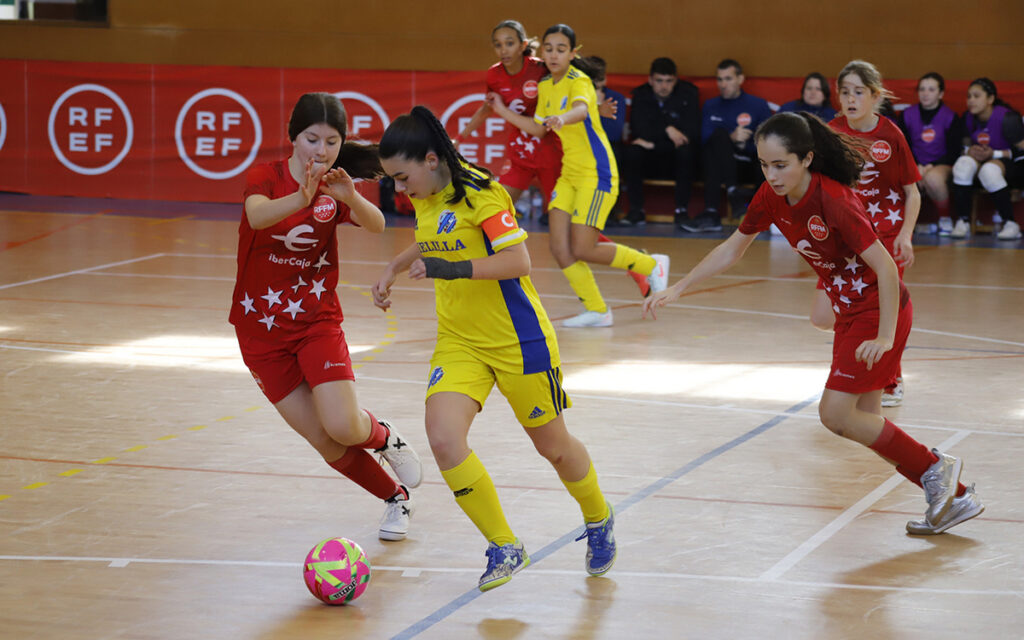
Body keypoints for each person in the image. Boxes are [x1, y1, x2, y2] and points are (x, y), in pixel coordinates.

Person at [643, 111, 983, 536]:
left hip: (877, 310)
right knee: (866, 424)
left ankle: (937, 468)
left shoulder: (835, 200)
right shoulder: (770, 196)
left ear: (806, 158)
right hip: (850, 313)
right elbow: (733, 248)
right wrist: (680, 287)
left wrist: (885, 335)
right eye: (764, 165)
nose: (772, 174)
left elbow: (887, 269)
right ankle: (955, 494)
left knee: (835, 414)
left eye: (780, 164)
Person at [372, 105, 617, 591]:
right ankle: (504, 544)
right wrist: (394, 267)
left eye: (402, 177)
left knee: (554, 448)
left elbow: (518, 260)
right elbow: (434, 237)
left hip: (518, 340)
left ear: (429, 159)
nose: (400, 189)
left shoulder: (482, 193)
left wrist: (453, 270)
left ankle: (598, 515)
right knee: (443, 438)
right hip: (459, 341)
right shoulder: (427, 193)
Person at [229, 93, 423, 541]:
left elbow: (377, 225)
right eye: (312, 139)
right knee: (325, 440)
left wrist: (351, 196)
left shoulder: (336, 184)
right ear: (293, 137)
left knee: (343, 424)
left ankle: (384, 437)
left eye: (331, 141)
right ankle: (396, 499)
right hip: (259, 332)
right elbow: (256, 218)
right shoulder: (267, 177)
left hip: (315, 321)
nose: (321, 150)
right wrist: (300, 196)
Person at [487, 23, 669, 327]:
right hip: (569, 174)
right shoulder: (546, 86)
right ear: (542, 51)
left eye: (561, 49)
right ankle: (597, 310)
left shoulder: (579, 80)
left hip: (596, 174)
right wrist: (503, 110)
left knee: (584, 247)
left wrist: (563, 117)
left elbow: (582, 110)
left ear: (573, 53)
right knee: (559, 247)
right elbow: (537, 127)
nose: (554, 55)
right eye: (549, 49)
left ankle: (650, 264)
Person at [826, 60, 921, 407]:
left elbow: (913, 192)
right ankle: (849, 371)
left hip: (886, 236)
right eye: (844, 92)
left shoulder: (890, 135)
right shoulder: (831, 132)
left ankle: (891, 379)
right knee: (829, 312)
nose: (850, 99)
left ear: (875, 95)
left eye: (858, 92)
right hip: (847, 239)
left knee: (884, 311)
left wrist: (906, 235)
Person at [683, 58, 772, 233]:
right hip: (718, 164)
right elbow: (705, 139)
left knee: (764, 158)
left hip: (747, 162)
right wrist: (731, 138)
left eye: (728, 79)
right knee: (717, 138)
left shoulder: (758, 105)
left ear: (740, 79)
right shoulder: (711, 105)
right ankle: (726, 200)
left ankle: (717, 211)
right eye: (720, 79)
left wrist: (744, 143)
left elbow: (768, 143)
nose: (723, 84)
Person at [620, 56, 700, 228]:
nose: (664, 86)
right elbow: (639, 130)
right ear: (650, 80)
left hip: (675, 158)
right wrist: (668, 129)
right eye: (659, 81)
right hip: (650, 159)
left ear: (676, 80)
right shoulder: (640, 95)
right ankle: (636, 210)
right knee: (632, 152)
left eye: (669, 81)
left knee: (686, 152)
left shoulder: (689, 94)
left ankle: (681, 211)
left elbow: (690, 133)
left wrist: (654, 141)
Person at [949, 77, 1024, 240]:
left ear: (990, 99)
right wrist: (970, 151)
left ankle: (1011, 223)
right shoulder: (967, 118)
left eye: (976, 96)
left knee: (989, 170)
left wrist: (994, 154)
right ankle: (963, 221)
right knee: (963, 165)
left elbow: (1021, 152)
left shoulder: (1008, 119)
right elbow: (963, 147)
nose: (971, 101)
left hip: (1014, 166)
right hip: (982, 162)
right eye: (969, 96)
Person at [898, 72, 961, 236]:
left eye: (931, 90)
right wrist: (916, 164)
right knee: (903, 176)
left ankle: (945, 220)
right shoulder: (906, 115)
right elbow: (902, 146)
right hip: (914, 163)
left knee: (932, 178)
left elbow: (955, 151)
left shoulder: (951, 117)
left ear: (940, 94)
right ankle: (901, 224)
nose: (925, 93)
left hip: (942, 164)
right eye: (922, 89)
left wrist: (931, 166)